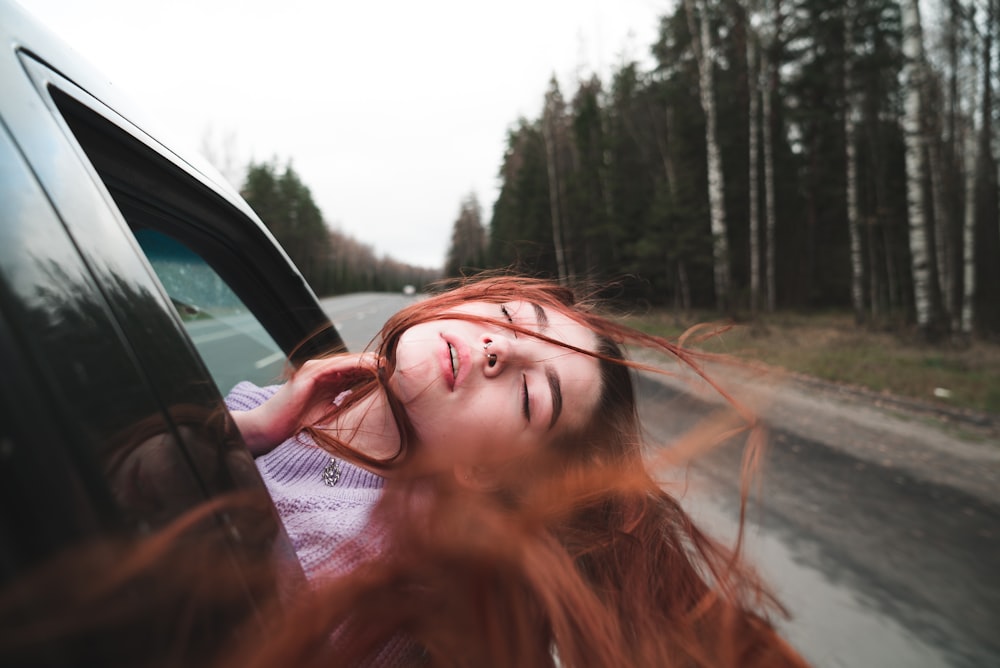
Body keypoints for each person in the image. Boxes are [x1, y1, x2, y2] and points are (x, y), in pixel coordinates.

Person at [216, 275, 807, 667]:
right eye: (510, 315)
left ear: (493, 476)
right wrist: (255, 431)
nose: (500, 348)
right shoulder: (268, 408)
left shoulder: (388, 574)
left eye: (531, 399)